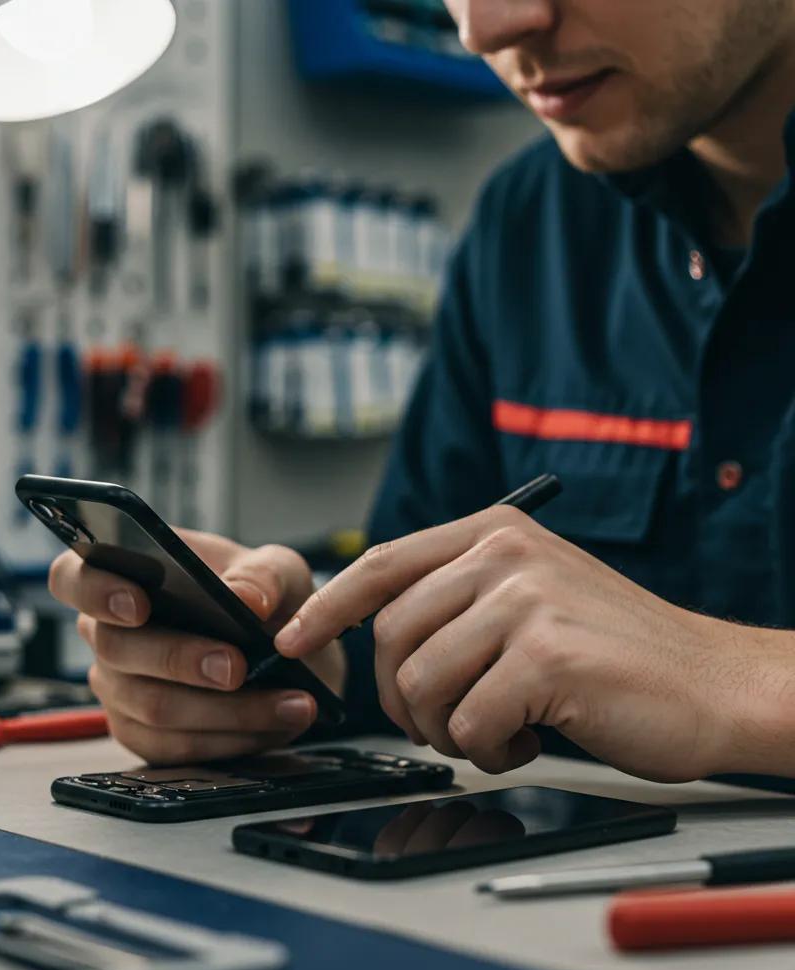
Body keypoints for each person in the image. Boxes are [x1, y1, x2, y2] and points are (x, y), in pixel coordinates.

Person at [50, 0, 795, 784]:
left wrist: (724, 678)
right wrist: (295, 664)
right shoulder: (529, 223)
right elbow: (423, 622)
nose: (485, 29)